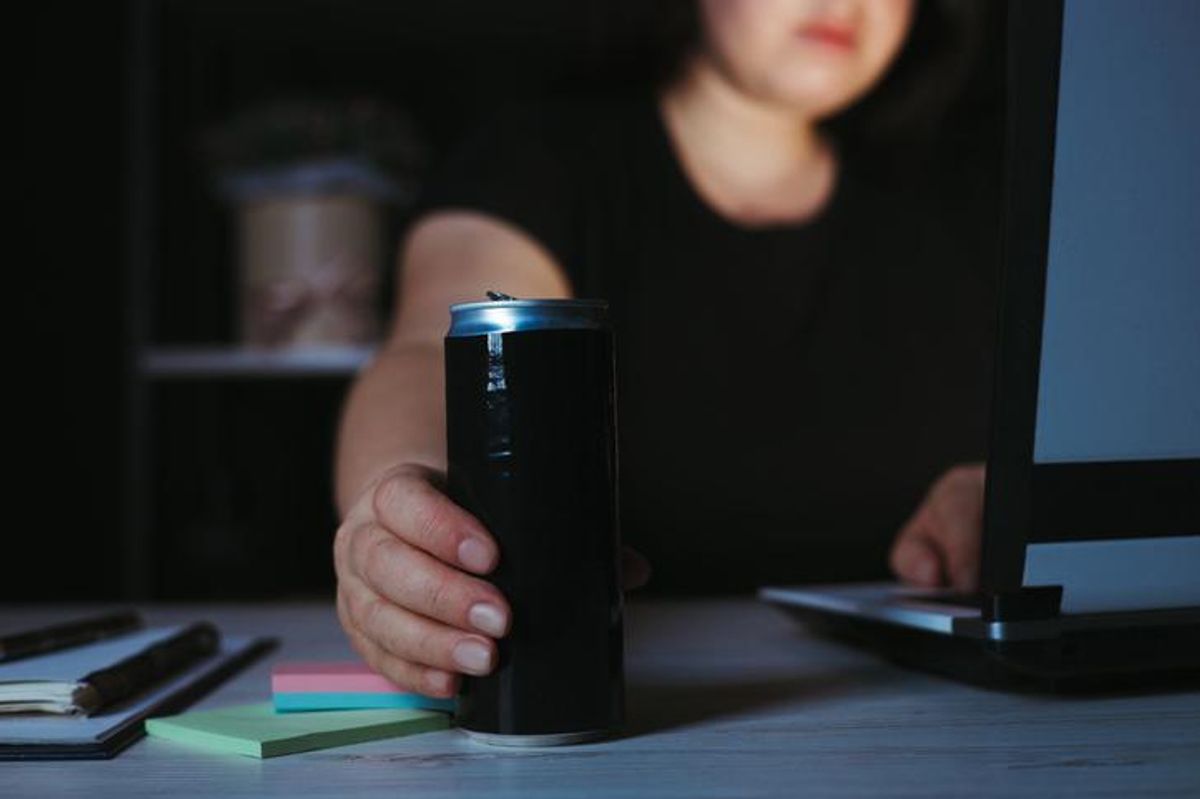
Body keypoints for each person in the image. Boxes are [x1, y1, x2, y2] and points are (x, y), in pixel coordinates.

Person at [333, 0, 1000, 699]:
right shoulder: (539, 157)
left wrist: (1009, 499)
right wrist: (401, 508)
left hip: (931, 717)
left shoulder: (971, 196)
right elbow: (429, 353)